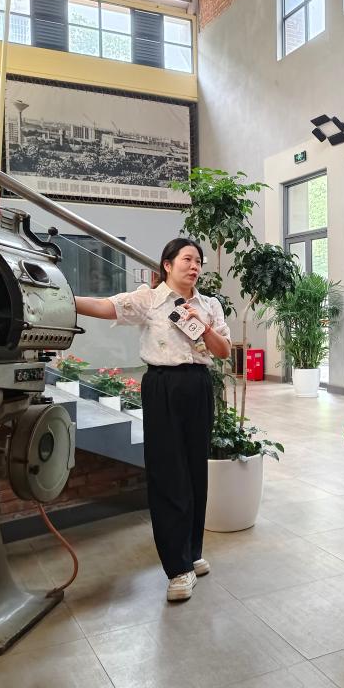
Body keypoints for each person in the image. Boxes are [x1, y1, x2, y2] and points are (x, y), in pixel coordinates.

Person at [74, 237, 231, 602]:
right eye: (187, 259)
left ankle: (191, 552)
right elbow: (105, 306)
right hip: (162, 385)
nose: (194, 266)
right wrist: (66, 299)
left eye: (199, 261)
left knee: (195, 471)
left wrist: (204, 325)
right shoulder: (150, 300)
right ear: (167, 264)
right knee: (167, 472)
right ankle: (177, 568)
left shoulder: (209, 304)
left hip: (198, 385)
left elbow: (223, 351)